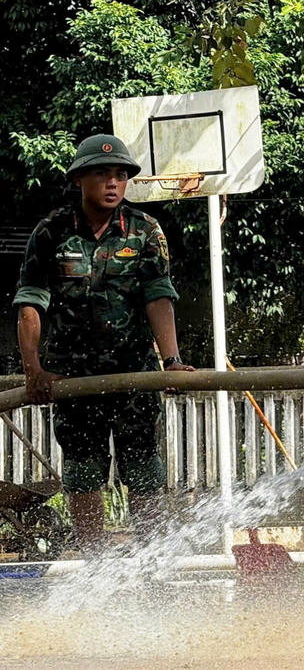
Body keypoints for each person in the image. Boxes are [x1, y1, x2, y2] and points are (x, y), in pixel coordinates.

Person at [14, 134, 194, 552]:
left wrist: (172, 360)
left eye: (120, 175)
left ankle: (152, 567)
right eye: (102, 174)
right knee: (83, 475)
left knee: (145, 472)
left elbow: (159, 296)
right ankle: (97, 569)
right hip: (74, 378)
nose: (113, 183)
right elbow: (30, 304)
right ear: (80, 179)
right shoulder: (52, 231)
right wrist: (33, 370)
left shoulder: (145, 230)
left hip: (134, 375)